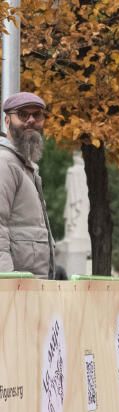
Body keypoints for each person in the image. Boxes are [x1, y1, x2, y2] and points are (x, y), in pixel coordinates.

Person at [0, 92, 55, 278]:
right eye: (23, 114)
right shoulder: (4, 162)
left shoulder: (26, 167)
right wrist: (7, 283)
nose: (31, 120)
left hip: (29, 288)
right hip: (15, 290)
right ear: (7, 121)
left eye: (37, 114)